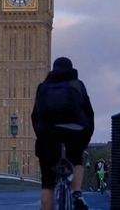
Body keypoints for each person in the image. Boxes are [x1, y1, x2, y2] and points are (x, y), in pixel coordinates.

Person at [32, 57, 95, 210]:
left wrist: (41, 136)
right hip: (76, 132)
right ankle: (77, 193)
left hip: (48, 134)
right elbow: (89, 114)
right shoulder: (78, 85)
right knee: (78, 157)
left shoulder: (43, 87)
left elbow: (35, 115)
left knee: (47, 183)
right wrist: (85, 139)